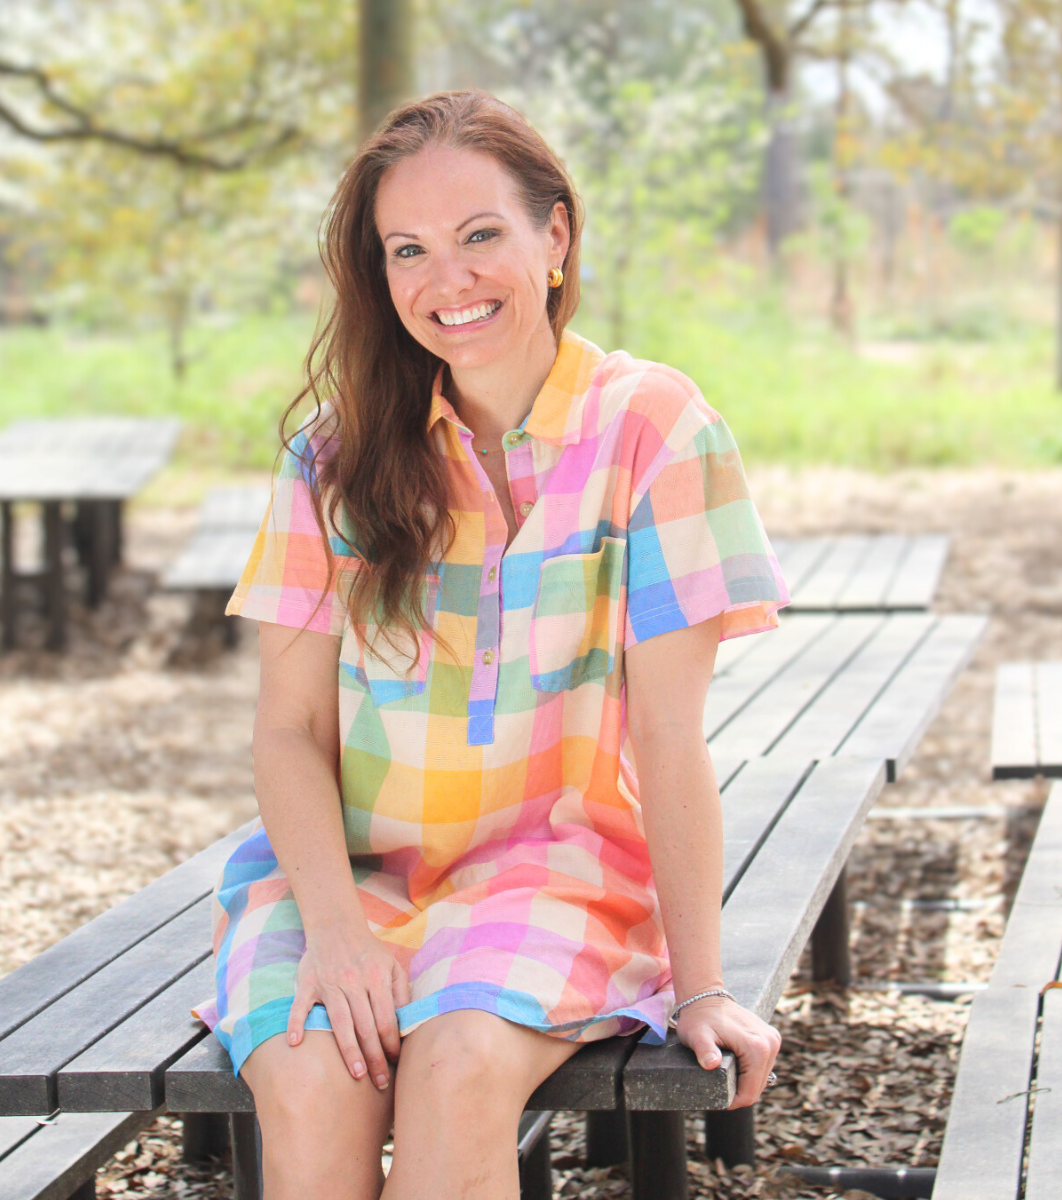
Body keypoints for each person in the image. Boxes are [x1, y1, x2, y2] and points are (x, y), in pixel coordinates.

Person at [195, 89, 789, 1200]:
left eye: (481, 236)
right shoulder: (331, 460)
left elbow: (668, 735)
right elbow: (289, 730)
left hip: (556, 872)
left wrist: (704, 989)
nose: (446, 280)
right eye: (407, 250)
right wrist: (332, 931)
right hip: (344, 877)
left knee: (462, 1065)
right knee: (315, 1075)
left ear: (554, 237)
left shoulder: (654, 431)